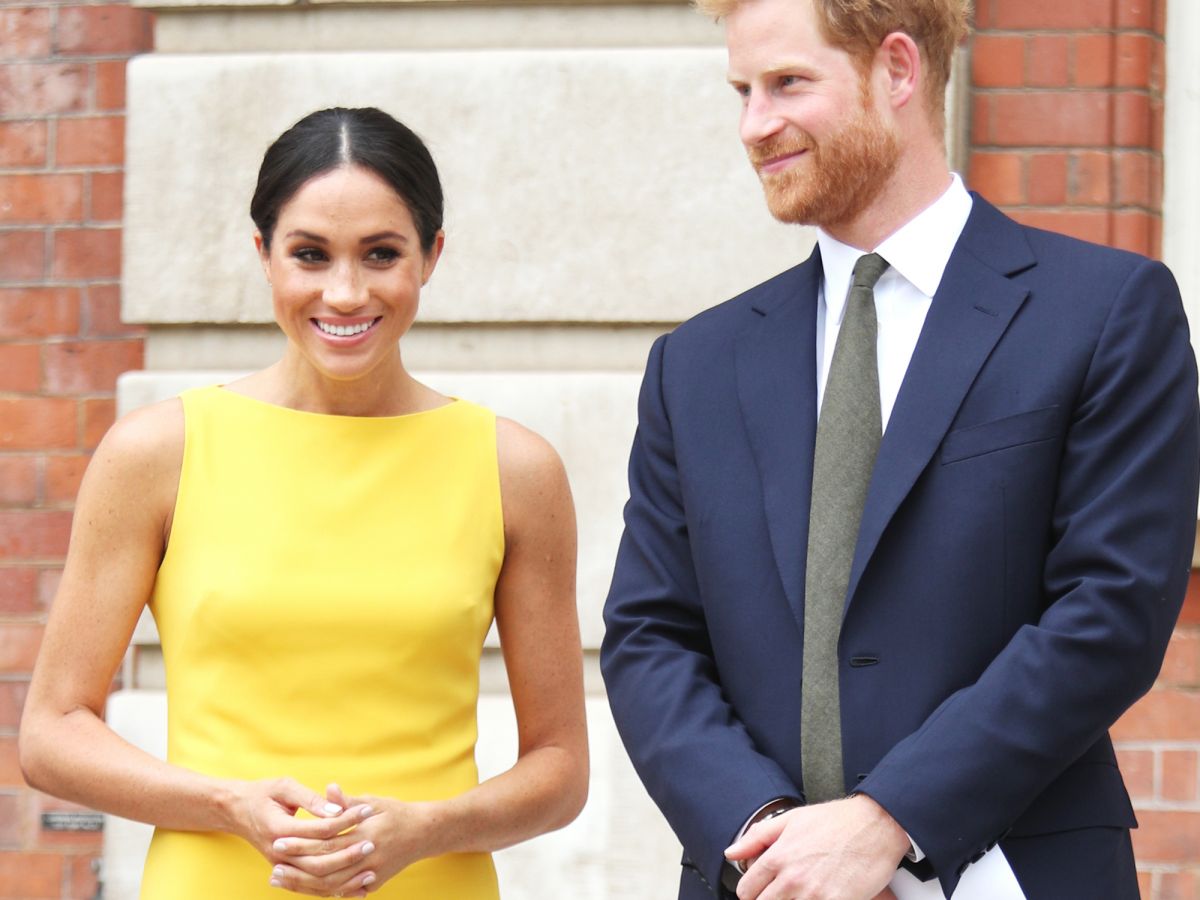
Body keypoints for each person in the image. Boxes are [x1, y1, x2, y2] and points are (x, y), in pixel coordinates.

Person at [600, 0, 1200, 898]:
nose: (753, 125)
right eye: (742, 91)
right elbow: (649, 637)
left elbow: (1111, 611)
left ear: (897, 70)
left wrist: (890, 819)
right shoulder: (695, 364)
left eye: (787, 83)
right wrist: (766, 836)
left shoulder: (1107, 311)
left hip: (1013, 872)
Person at [20, 106, 588, 899]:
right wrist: (227, 803)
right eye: (310, 255)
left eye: (382, 254)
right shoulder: (158, 453)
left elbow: (559, 769)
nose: (345, 292)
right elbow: (50, 735)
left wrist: (426, 828)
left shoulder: (514, 470)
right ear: (264, 256)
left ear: (431, 257)